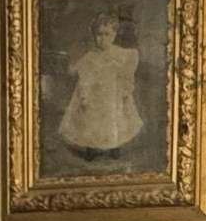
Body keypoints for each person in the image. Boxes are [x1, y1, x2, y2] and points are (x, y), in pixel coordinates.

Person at [58, 12, 146, 156]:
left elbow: (126, 75)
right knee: (91, 123)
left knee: (115, 120)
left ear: (114, 35)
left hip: (113, 96)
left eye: (107, 34)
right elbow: (84, 79)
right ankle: (91, 148)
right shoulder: (90, 57)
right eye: (99, 34)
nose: (103, 39)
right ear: (94, 36)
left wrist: (126, 90)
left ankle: (114, 147)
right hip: (95, 97)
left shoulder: (121, 55)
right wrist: (84, 97)